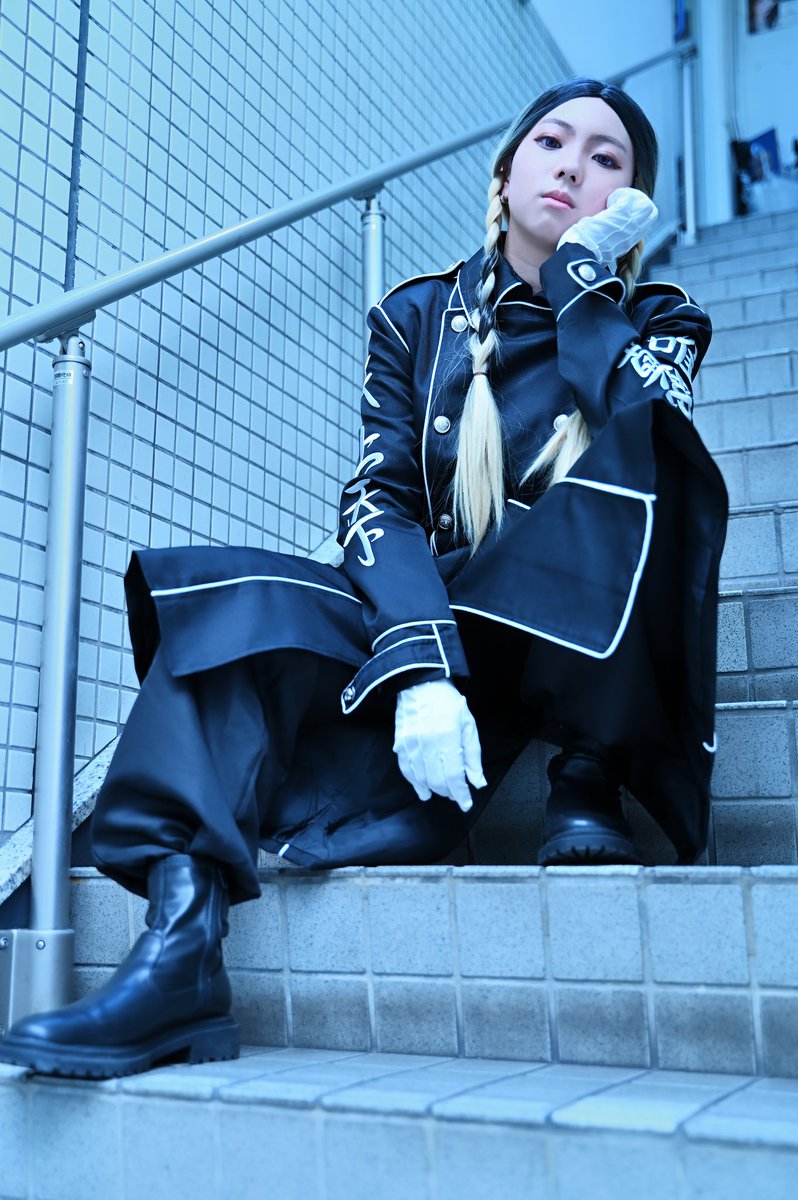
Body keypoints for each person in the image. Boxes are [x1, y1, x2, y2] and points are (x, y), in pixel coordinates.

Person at [0, 78, 728, 1079]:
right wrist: (421, 665)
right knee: (230, 606)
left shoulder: (658, 314)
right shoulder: (415, 315)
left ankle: (587, 772)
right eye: (551, 141)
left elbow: (653, 430)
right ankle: (179, 950)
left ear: (630, 199)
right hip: (446, 614)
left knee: (659, 452)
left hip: (577, 624)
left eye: (607, 158)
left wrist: (581, 279)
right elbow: (381, 499)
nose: (572, 164)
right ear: (505, 172)